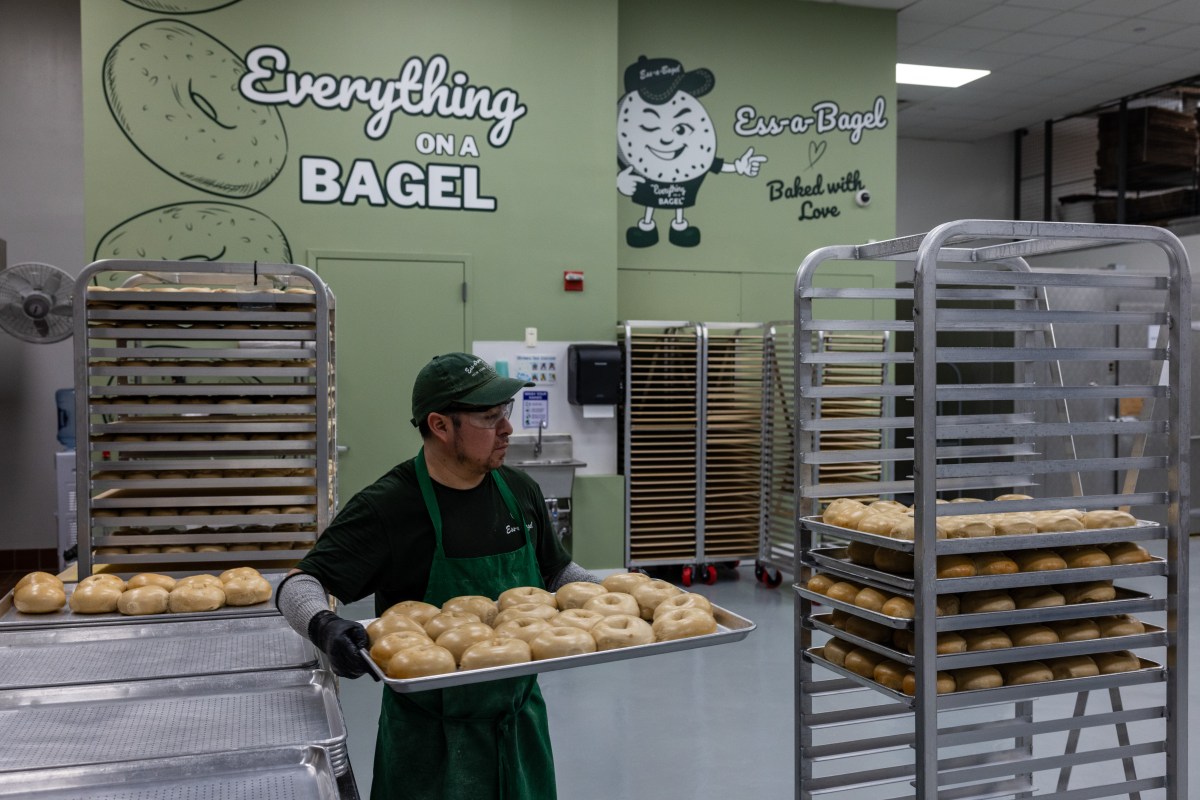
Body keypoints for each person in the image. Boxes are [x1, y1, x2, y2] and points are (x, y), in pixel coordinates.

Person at [275, 352, 598, 800]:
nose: (507, 428)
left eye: (505, 413)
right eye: (489, 417)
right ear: (441, 426)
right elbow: (299, 584)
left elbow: (557, 569)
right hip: (430, 742)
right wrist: (324, 627)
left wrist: (611, 594)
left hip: (519, 726)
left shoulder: (519, 490)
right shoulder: (388, 507)